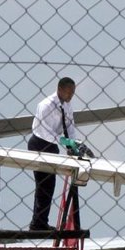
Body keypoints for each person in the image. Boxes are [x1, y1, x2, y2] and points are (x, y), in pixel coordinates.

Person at [27, 77, 81, 231]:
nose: (71, 96)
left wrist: (73, 143)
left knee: (49, 185)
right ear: (60, 89)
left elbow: (70, 126)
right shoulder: (45, 105)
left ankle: (41, 221)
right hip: (40, 143)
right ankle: (37, 223)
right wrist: (64, 141)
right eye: (69, 92)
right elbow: (45, 132)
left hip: (52, 146)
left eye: (73, 93)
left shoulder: (67, 106)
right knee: (43, 184)